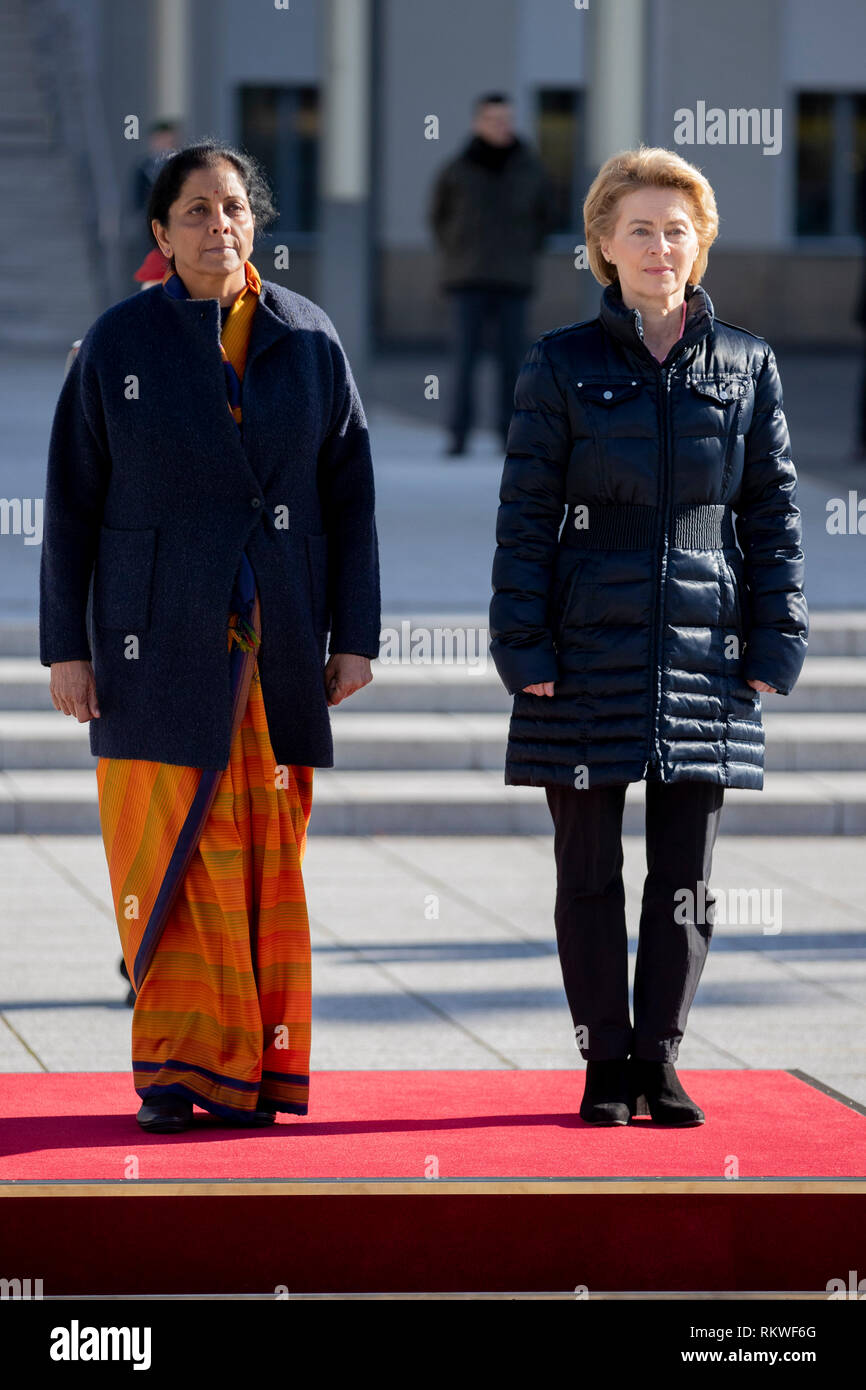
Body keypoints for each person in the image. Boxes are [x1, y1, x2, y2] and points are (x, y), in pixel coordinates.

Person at [39, 141, 381, 1134]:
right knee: (169, 866)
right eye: (192, 211)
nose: (215, 225)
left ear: (255, 222)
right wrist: (69, 647)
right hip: (151, 641)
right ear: (159, 233)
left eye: (231, 207)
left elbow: (349, 499)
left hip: (274, 645)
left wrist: (352, 634)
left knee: (260, 859)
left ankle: (256, 1073)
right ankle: (173, 1074)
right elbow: (71, 504)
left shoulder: (309, 340)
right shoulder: (118, 344)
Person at [489, 145, 808, 1127]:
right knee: (586, 872)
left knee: (685, 880)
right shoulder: (559, 364)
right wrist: (523, 648)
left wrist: (774, 639)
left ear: (699, 244)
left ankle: (660, 1059)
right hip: (584, 649)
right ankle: (601, 1061)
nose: (660, 245)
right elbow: (524, 514)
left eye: (678, 229)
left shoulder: (745, 364)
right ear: (602, 246)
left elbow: (772, 514)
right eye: (639, 229)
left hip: (706, 651)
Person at [428, 92, 557, 456]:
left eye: (506, 120)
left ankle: (508, 434)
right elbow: (438, 217)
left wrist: (527, 247)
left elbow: (548, 215)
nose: (501, 127)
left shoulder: (530, 168)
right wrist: (456, 248)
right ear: (478, 123)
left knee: (511, 361)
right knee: (464, 360)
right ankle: (458, 436)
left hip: (514, 278)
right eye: (493, 120)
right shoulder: (457, 168)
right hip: (466, 277)